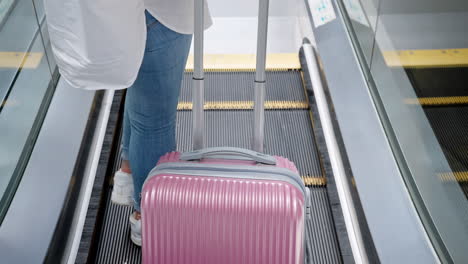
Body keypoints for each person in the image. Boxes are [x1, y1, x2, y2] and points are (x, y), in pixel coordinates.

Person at [109, 2, 212, 246]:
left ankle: (129, 172)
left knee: (143, 97)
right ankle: (149, 217)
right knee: (156, 122)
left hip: (135, 12)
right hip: (162, 12)